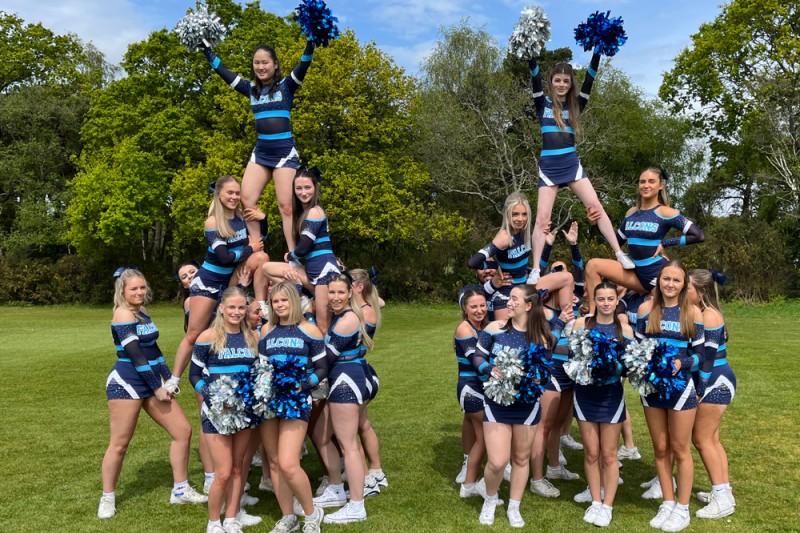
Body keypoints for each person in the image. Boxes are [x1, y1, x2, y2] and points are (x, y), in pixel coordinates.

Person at [99, 269, 206, 519]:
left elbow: (153, 350)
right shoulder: (122, 314)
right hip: (126, 382)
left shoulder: (143, 312)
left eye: (142, 288)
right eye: (133, 289)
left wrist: (169, 378)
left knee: (182, 431)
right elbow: (137, 357)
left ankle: (180, 490)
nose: (139, 292)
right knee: (120, 444)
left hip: (150, 380)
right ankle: (107, 497)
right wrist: (157, 387)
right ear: (122, 291)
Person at [526, 53, 635, 285]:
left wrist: (597, 52)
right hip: (548, 168)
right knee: (542, 219)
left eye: (566, 81)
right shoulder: (541, 104)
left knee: (596, 206)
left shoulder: (576, 105)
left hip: (571, 165)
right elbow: (534, 76)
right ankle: (535, 269)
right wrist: (531, 56)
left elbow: (590, 80)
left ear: (570, 84)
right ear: (551, 82)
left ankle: (618, 252)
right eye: (558, 80)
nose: (562, 85)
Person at [201, 39, 315, 249]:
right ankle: (255, 245)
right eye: (256, 63)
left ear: (275, 64)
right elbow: (225, 73)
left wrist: (310, 44)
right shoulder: (250, 89)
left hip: (284, 155)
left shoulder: (287, 87)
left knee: (286, 207)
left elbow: (304, 64)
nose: (261, 67)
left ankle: (293, 253)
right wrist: (208, 52)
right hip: (261, 153)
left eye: (265, 62)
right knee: (246, 198)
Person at [472, 285, 566, 527]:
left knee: (521, 459)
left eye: (514, 299)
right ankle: (490, 499)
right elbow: (478, 355)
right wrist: (488, 369)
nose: (508, 303)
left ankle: (514, 506)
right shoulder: (495, 328)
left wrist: (539, 379)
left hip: (526, 407)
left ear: (528, 305)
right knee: (497, 461)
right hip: (497, 403)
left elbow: (545, 374)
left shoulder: (542, 338)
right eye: (508, 298)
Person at [170, 175, 266, 400]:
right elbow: (223, 257)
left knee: (263, 257)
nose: (234, 197)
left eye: (237, 193)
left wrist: (264, 219)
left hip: (229, 281)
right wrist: (249, 250)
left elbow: (261, 241)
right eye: (229, 193)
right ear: (219, 195)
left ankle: (262, 305)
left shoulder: (243, 217)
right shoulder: (213, 221)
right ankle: (174, 379)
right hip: (209, 284)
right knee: (195, 334)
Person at [635, 260, 704, 532]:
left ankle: (682, 508)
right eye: (666, 279)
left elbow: (701, 356)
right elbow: (638, 350)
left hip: (681, 388)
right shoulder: (645, 310)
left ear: (684, 284)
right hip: (652, 389)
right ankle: (667, 501)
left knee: (680, 448)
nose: (670, 285)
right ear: (658, 281)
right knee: (660, 448)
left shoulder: (693, 312)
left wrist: (680, 365)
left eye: (676, 280)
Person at [584, 167, 705, 313]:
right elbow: (616, 241)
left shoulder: (666, 212)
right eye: (642, 182)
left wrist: (665, 243)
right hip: (634, 273)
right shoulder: (631, 212)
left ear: (660, 185)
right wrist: (596, 224)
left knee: (659, 311)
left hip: (656, 273)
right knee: (592, 265)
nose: (646, 185)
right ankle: (593, 317)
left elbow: (698, 235)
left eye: (651, 181)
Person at [258, 281, 327, 533]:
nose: (279, 305)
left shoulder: (310, 330)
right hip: (269, 400)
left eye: (284, 300)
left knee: (288, 462)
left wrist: (304, 384)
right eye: (275, 301)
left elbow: (322, 368)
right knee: (275, 462)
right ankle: (288, 516)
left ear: (294, 302)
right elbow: (263, 368)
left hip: (296, 400)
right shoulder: (266, 330)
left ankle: (311, 514)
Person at [190, 287, 259, 533]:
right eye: (232, 307)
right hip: (216, 413)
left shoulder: (253, 337)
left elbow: (258, 374)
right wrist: (211, 396)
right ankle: (213, 523)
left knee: (239, 467)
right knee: (223, 472)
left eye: (241, 308)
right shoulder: (207, 337)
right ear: (221, 308)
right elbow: (194, 375)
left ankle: (231, 518)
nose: (237, 312)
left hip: (244, 412)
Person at [571, 281, 634, 527]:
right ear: (593, 301)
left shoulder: (624, 330)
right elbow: (570, 358)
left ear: (617, 301)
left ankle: (607, 505)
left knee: (608, 455)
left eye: (610, 299)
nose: (606, 303)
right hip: (585, 395)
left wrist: (615, 366)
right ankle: (595, 501)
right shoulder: (581, 324)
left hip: (610, 396)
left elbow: (632, 366)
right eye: (601, 299)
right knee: (591, 452)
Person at [313, 273, 373, 524]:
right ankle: (337, 489)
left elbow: (325, 359)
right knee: (320, 435)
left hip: (346, 382)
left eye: (340, 292)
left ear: (350, 293)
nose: (335, 297)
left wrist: (305, 382)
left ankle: (357, 505)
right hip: (344, 379)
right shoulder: (343, 316)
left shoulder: (347, 320)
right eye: (331, 292)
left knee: (348, 445)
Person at [263, 169, 341, 333]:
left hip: (323, 272)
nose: (303, 192)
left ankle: (329, 357)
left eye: (307, 187)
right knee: (267, 269)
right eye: (299, 188)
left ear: (315, 188)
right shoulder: (302, 213)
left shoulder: (315, 211)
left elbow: (304, 247)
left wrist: (290, 255)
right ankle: (300, 293)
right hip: (310, 270)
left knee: (323, 326)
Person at [688, 269, 736, 519]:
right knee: (712, 440)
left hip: (715, 382)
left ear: (702, 291)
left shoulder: (708, 316)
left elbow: (705, 358)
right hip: (717, 379)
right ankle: (723, 491)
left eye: (688, 289)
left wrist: (699, 388)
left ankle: (722, 499)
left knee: (702, 439)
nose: (685, 293)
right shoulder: (707, 312)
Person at [351, 268, 388, 495]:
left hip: (358, 373)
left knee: (348, 431)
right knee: (363, 425)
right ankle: (376, 471)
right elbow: (380, 301)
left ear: (358, 287)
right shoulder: (370, 306)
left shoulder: (360, 312)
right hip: (366, 372)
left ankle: (365, 479)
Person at [467, 193, 532, 321]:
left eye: (524, 214)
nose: (520, 219)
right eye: (515, 214)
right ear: (507, 215)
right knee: (506, 338)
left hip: (524, 290)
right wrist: (496, 266)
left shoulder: (526, 233)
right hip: (506, 294)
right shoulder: (504, 237)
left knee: (566, 278)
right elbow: (473, 262)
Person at [453, 286, 490, 499]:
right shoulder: (464, 329)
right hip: (471, 389)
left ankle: (471, 482)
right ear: (465, 309)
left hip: (481, 387)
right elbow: (477, 361)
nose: (479, 310)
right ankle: (471, 483)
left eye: (482, 305)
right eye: (473, 306)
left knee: (483, 437)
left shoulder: (485, 326)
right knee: (485, 439)